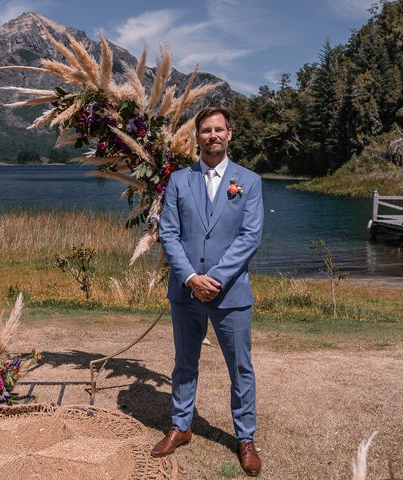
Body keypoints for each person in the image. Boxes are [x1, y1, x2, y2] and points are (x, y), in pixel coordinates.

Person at [151, 106, 264, 477]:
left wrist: (212, 278)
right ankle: (181, 427)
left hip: (230, 293)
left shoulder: (249, 181)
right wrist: (190, 278)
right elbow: (168, 232)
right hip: (186, 293)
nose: (212, 136)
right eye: (205, 130)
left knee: (240, 368)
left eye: (219, 130)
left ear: (230, 134)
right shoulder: (180, 181)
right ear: (196, 136)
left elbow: (251, 236)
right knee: (185, 364)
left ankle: (245, 438)